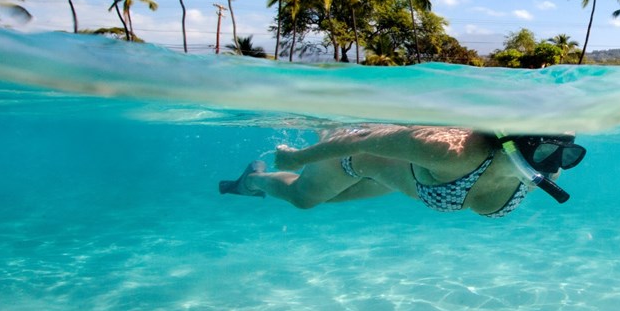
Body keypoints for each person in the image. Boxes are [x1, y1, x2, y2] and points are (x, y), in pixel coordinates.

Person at [220, 124, 584, 217]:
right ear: (515, 142)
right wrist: (298, 159)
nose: (555, 166)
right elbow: (363, 141)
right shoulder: (452, 150)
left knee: (327, 200)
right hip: (356, 156)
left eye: (568, 155)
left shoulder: (547, 172)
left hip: (401, 178)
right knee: (303, 199)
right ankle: (251, 179)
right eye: (549, 151)